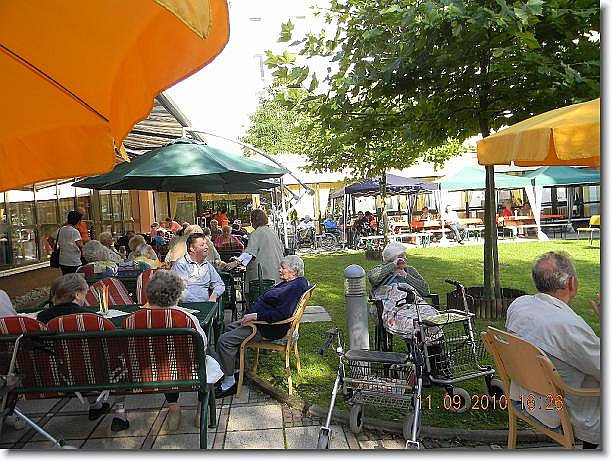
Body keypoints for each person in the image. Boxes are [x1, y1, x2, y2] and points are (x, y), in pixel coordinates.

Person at [505, 252, 600, 448]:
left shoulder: (519, 305)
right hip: (570, 410)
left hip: (528, 397)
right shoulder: (568, 326)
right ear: (572, 283)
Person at [214, 255, 309, 398]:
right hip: (261, 323)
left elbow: (282, 314)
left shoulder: (294, 288)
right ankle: (242, 372)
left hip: (267, 327)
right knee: (229, 329)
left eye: (283, 268)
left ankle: (229, 382)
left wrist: (255, 316)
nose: (279, 270)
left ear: (294, 271)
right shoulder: (293, 283)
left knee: (224, 341)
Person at [143, 270, 222, 430]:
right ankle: (200, 409)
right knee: (206, 359)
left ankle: (173, 408)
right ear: (178, 294)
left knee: (165, 363)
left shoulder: (139, 318)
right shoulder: (186, 318)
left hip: (153, 372)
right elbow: (202, 344)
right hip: (188, 370)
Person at [226, 209, 284, 294]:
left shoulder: (256, 233)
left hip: (263, 276)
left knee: (258, 298)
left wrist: (235, 263)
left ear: (253, 221)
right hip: (277, 273)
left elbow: (250, 253)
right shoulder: (272, 232)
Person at [171, 233, 225, 303]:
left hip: (205, 305)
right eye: (202, 245)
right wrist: (199, 303)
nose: (206, 247)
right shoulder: (181, 264)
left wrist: (214, 295)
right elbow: (180, 291)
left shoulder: (207, 265)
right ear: (192, 248)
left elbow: (219, 284)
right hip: (186, 305)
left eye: (206, 244)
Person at [55, 210, 85, 274]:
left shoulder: (60, 230)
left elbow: (50, 239)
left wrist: (55, 248)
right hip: (74, 261)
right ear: (77, 221)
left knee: (66, 277)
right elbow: (80, 246)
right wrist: (84, 254)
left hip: (62, 261)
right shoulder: (75, 231)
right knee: (76, 278)